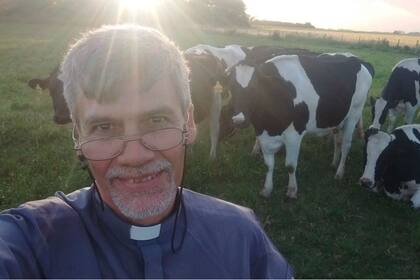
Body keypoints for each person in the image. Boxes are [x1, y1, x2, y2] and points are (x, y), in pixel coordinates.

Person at [0, 25, 293, 278]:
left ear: (189, 123)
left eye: (156, 120)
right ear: (78, 136)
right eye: (104, 127)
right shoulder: (30, 239)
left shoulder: (242, 238)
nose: (135, 156)